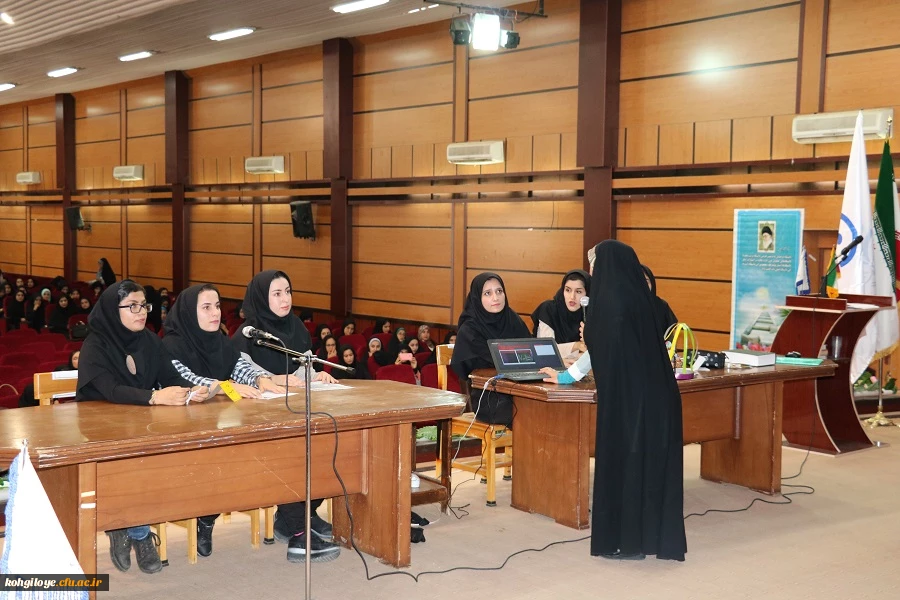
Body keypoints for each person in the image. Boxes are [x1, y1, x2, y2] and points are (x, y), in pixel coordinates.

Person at [540, 241, 686, 561]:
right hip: (658, 400)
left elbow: (597, 351)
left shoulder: (608, 306)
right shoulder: (643, 301)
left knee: (627, 468)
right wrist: (566, 375)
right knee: (648, 471)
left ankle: (628, 544)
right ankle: (649, 540)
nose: (593, 271)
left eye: (595, 265)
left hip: (629, 406)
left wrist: (568, 372)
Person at [76, 280, 197, 575]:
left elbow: (171, 376)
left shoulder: (149, 341)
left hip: (139, 423)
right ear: (112, 310)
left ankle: (126, 527)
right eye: (132, 306)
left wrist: (193, 389)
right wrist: (155, 397)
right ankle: (136, 532)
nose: (141, 312)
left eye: (143, 305)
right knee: (133, 463)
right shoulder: (95, 345)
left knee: (150, 460)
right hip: (99, 428)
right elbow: (110, 390)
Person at [161, 284, 285, 558]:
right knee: (220, 459)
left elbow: (238, 366)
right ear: (189, 312)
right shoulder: (171, 345)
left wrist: (260, 379)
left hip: (218, 424)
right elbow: (189, 380)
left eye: (217, 306)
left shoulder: (220, 341)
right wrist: (227, 387)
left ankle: (210, 515)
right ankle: (206, 517)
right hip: (182, 428)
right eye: (206, 307)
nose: (215, 313)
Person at [230, 270, 341, 563]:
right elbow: (240, 377)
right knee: (292, 455)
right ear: (261, 298)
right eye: (277, 293)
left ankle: (301, 514)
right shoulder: (247, 335)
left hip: (295, 413)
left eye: (288, 292)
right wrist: (276, 379)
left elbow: (302, 371)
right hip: (259, 420)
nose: (285, 299)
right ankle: (297, 529)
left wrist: (317, 375)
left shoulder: (297, 328)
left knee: (329, 448)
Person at [451, 273, 530, 427]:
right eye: (488, 293)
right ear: (477, 298)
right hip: (489, 398)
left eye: (499, 291)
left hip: (521, 390)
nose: (496, 298)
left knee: (544, 408)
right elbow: (469, 369)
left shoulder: (512, 319)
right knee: (529, 413)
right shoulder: (470, 329)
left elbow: (530, 351)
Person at [530, 269, 590, 351]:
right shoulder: (548, 310)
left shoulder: (592, 315)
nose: (572, 297)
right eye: (568, 290)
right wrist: (576, 346)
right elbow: (544, 350)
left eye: (578, 292)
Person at [641, 265, 678, 338]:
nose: (643, 285)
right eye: (639, 281)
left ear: (652, 282)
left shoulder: (662, 305)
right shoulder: (628, 306)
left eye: (646, 281)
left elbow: (670, 333)